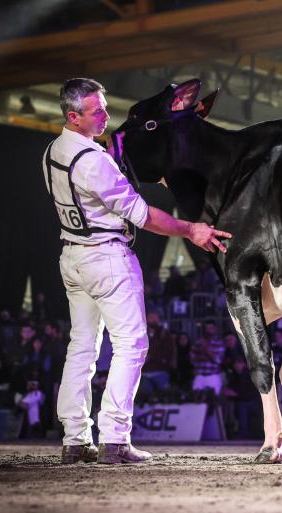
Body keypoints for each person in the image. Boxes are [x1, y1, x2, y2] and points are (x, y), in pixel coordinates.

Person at [45, 78, 231, 465]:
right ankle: (114, 438)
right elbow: (143, 215)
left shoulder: (52, 152)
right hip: (107, 257)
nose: (106, 117)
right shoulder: (93, 161)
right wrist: (190, 229)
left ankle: (74, 439)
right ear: (73, 117)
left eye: (105, 107)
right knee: (132, 345)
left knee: (81, 348)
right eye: (97, 112)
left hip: (73, 256)